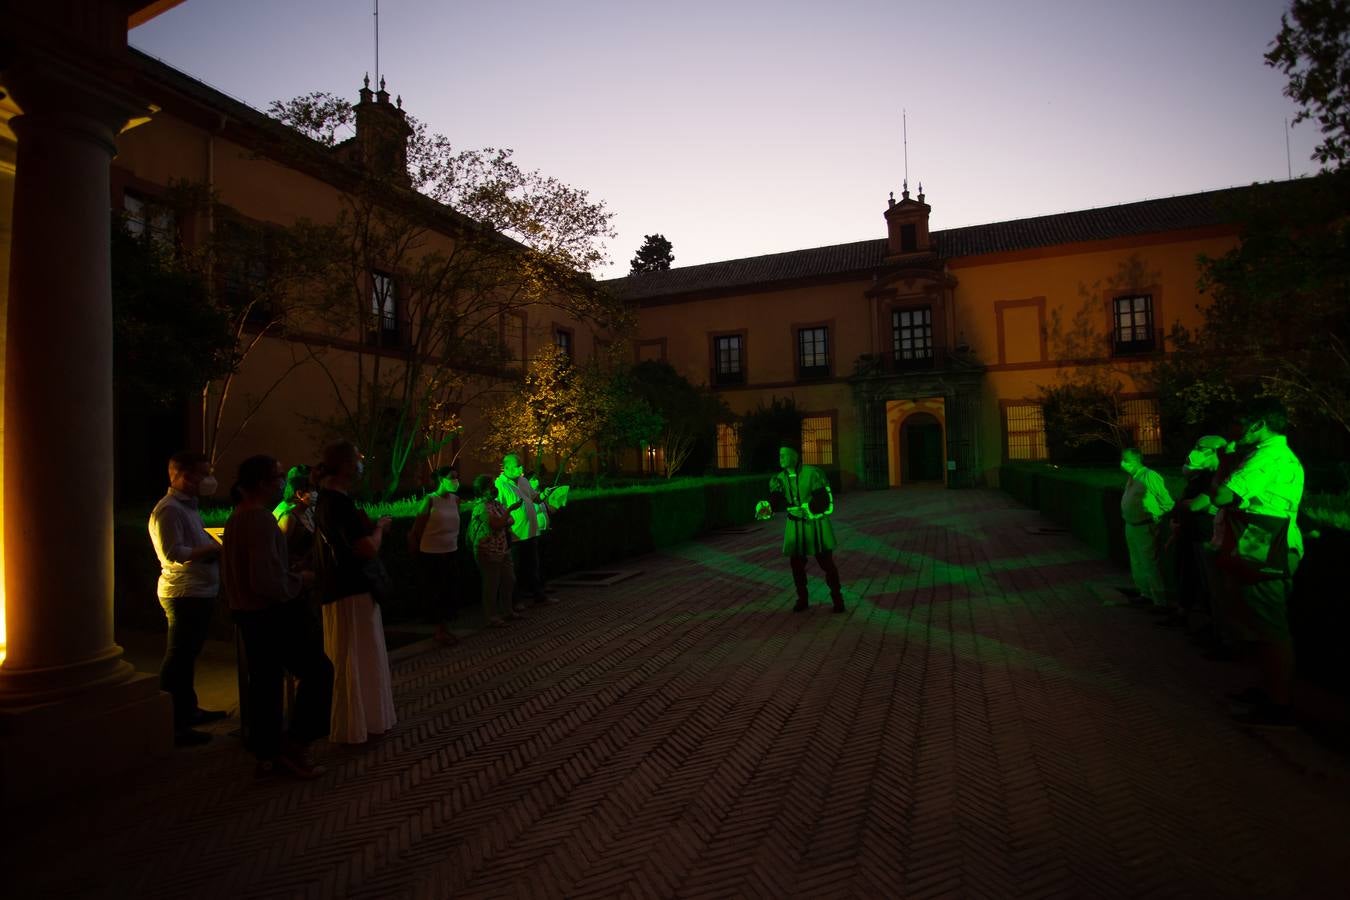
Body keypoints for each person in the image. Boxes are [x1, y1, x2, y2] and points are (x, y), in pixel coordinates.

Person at [222, 455, 333, 779]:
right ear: (262, 483)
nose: (283, 482)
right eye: (278, 477)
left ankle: (269, 755)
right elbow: (266, 581)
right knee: (319, 672)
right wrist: (300, 580)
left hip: (250, 615)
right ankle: (294, 745)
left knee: (266, 684)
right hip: (270, 614)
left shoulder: (238, 518)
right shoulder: (258, 519)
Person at [1206, 399, 1305, 729]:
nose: (1236, 430)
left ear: (1259, 424)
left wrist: (1222, 462)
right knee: (1260, 624)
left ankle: (1279, 705)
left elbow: (1222, 496)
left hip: (1267, 546)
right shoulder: (1267, 453)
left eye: (1242, 422)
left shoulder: (1268, 456)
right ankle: (1269, 691)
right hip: (1260, 543)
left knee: (1270, 627)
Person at [312, 441, 397, 744]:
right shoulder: (337, 503)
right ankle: (360, 724)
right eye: (359, 459)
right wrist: (381, 529)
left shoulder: (326, 501)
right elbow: (366, 548)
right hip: (352, 590)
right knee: (358, 654)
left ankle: (363, 721)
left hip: (344, 589)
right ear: (347, 465)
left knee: (357, 654)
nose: (363, 464)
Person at [148, 450, 227, 746]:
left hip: (199, 591)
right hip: (184, 593)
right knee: (178, 657)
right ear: (182, 475)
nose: (209, 480)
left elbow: (192, 542)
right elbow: (174, 554)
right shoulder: (169, 510)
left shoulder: (188, 507)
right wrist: (213, 549)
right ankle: (173, 722)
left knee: (187, 655)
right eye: (203, 473)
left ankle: (188, 710)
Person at [755, 445, 845, 613]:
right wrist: (766, 508)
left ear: (795, 456)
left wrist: (809, 507)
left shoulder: (813, 473)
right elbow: (774, 500)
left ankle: (837, 599)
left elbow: (824, 499)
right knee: (796, 564)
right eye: (779, 455)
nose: (780, 458)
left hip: (815, 523)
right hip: (795, 525)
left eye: (784, 455)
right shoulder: (779, 478)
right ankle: (802, 599)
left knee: (826, 562)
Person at [1162, 435, 1228, 629]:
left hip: (1204, 535)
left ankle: (1213, 624)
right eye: (1196, 446)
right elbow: (1191, 504)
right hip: (1189, 534)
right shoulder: (1200, 477)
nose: (1195, 451)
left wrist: (1182, 506)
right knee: (1186, 575)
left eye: (1202, 448)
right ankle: (1184, 613)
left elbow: (1198, 505)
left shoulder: (1219, 478)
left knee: (1208, 582)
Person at [408, 465, 463, 646]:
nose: (455, 482)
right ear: (441, 479)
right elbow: (417, 528)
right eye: (451, 478)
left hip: (451, 551)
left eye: (457, 478)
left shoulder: (456, 500)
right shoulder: (430, 500)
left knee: (450, 590)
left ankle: (446, 627)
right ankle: (440, 630)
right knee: (437, 592)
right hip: (432, 553)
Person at [496, 454, 558, 608]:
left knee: (533, 566)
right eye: (518, 465)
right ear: (507, 467)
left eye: (521, 465)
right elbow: (497, 508)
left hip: (531, 532)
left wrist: (545, 495)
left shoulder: (523, 481)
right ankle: (515, 601)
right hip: (515, 534)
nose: (521, 468)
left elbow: (535, 498)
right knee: (514, 570)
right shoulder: (499, 484)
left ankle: (539, 595)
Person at [1118, 447, 1175, 612]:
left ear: (1136, 459)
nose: (1123, 462)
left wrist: (1156, 518)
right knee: (1137, 562)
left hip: (1145, 525)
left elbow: (1167, 502)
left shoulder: (1149, 476)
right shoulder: (1132, 477)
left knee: (1149, 563)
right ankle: (1145, 594)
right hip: (1131, 525)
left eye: (1126, 459)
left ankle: (1160, 601)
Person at [469, 474, 517, 627]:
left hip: (503, 549)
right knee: (492, 585)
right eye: (490, 486)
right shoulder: (481, 507)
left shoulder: (496, 504)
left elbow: (510, 521)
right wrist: (509, 511)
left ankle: (507, 610)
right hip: (488, 551)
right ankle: (492, 616)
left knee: (509, 579)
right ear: (482, 490)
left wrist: (504, 518)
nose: (494, 488)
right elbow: (497, 524)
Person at [273, 465, 317, 569]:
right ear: (299, 493)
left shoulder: (309, 511)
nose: (315, 493)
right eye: (312, 489)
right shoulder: (287, 515)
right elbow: (277, 550)